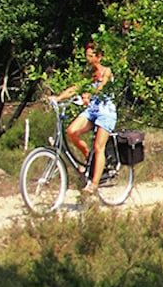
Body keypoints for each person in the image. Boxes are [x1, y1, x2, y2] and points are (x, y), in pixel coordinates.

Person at [49, 40, 115, 192]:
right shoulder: (88, 74)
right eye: (87, 55)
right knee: (71, 131)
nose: (88, 59)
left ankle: (94, 184)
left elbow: (101, 86)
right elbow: (75, 88)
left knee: (99, 147)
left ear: (99, 57)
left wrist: (90, 94)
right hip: (92, 111)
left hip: (106, 112)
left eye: (90, 55)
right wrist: (58, 98)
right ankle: (88, 157)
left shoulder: (107, 71)